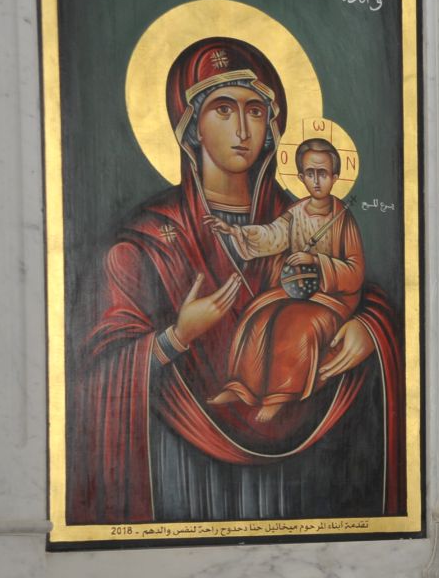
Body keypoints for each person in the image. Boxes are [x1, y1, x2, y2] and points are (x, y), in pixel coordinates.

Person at [71, 36, 405, 523]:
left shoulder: (303, 216)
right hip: (185, 471)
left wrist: (369, 330)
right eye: (223, 110)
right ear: (191, 128)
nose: (243, 128)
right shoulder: (145, 241)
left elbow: (364, 291)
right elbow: (98, 372)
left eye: (255, 111)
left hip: (310, 476)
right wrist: (177, 336)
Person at [205, 137, 366, 423]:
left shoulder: (342, 217)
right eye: (310, 173)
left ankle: (280, 395)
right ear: (301, 176)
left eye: (323, 173)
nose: (316, 181)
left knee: (295, 325)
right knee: (258, 316)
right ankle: (243, 388)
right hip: (296, 289)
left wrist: (316, 262)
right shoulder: (296, 212)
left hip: (332, 297)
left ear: (335, 176)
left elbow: (355, 272)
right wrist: (234, 231)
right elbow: (273, 235)